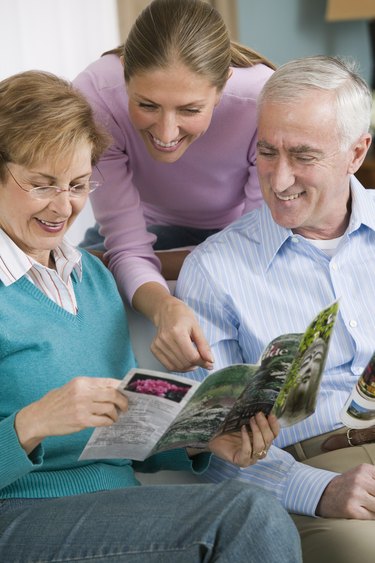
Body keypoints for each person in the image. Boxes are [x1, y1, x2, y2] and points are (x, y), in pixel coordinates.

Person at [0, 70, 302, 563]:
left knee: (255, 510)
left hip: (116, 505)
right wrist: (33, 423)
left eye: (78, 185)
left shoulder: (92, 279)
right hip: (18, 516)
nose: (63, 206)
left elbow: (116, 434)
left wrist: (200, 439)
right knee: (247, 515)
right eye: (41, 185)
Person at [175, 55, 375, 563]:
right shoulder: (215, 269)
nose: (279, 179)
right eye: (267, 151)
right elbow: (214, 448)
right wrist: (318, 491)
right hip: (315, 473)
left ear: (356, 152)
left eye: (303, 155)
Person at [73, 0, 275, 372]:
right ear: (124, 75)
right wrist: (165, 305)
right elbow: (128, 245)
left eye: (190, 110)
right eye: (147, 104)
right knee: (75, 290)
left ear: (222, 86)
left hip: (232, 235)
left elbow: (255, 251)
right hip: (143, 231)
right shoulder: (97, 95)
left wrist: (120, 265)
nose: (166, 133)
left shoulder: (262, 102)